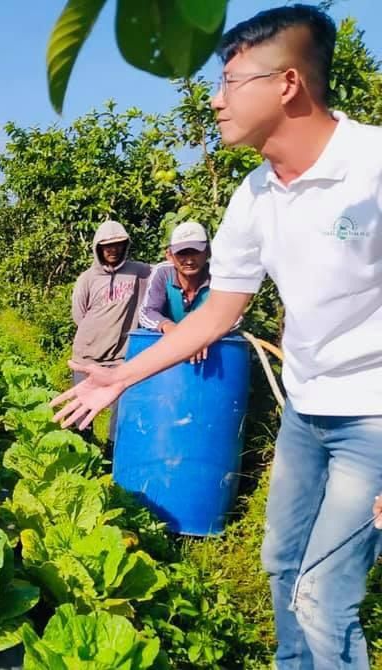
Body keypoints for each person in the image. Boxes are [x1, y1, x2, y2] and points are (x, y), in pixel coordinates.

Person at [52, 6, 382, 668]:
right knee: (282, 564)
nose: (215, 98)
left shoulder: (372, 167)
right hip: (306, 413)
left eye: (230, 82)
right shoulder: (255, 195)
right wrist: (122, 375)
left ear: (287, 83)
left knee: (322, 596)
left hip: (372, 421)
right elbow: (218, 314)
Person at [70, 219, 151, 439]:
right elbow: (79, 314)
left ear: (125, 246)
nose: (113, 250)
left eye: (118, 244)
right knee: (82, 410)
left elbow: (167, 276)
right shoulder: (87, 279)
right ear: (98, 248)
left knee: (121, 410)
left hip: (122, 355)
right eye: (107, 245)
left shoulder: (140, 272)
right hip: (87, 355)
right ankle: (82, 453)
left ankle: (110, 455)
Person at [139, 220, 240, 363]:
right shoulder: (163, 273)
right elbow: (147, 312)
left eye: (195, 252)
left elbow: (235, 317)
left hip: (212, 356)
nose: (189, 260)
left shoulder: (219, 276)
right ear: (170, 255)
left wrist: (201, 335)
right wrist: (171, 329)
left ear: (208, 252)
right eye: (182, 253)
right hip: (168, 357)